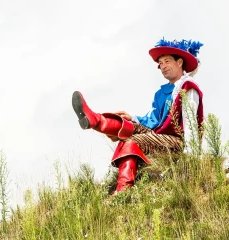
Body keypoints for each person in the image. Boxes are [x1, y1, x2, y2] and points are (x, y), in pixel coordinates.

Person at [72, 38, 204, 194]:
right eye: (160, 63)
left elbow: (190, 124)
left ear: (180, 62)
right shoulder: (161, 93)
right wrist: (133, 117)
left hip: (177, 142)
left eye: (167, 61)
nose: (163, 66)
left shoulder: (188, 88)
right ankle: (94, 119)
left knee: (131, 140)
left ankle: (122, 190)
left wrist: (191, 158)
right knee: (128, 123)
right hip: (159, 135)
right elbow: (154, 120)